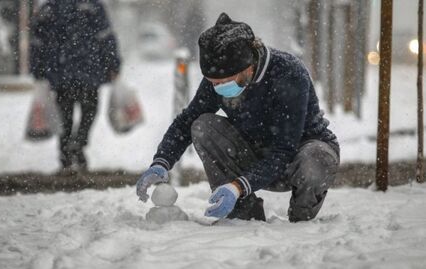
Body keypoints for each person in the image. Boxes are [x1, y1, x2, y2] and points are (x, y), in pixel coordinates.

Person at [136, 13, 339, 222]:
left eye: (225, 81)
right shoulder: (218, 77)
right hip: (253, 156)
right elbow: (186, 121)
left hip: (297, 157)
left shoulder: (289, 74)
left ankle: (300, 222)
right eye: (213, 82)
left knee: (316, 160)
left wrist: (238, 187)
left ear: (248, 66)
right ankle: (243, 216)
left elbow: (284, 149)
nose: (219, 88)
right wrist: (161, 161)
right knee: (202, 126)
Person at [29, 0, 121, 173]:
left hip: (61, 71)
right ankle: (78, 143)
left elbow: (37, 42)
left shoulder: (49, 8)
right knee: (90, 110)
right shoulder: (93, 6)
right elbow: (106, 36)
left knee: (65, 114)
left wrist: (38, 69)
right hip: (88, 70)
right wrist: (113, 64)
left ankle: (65, 156)